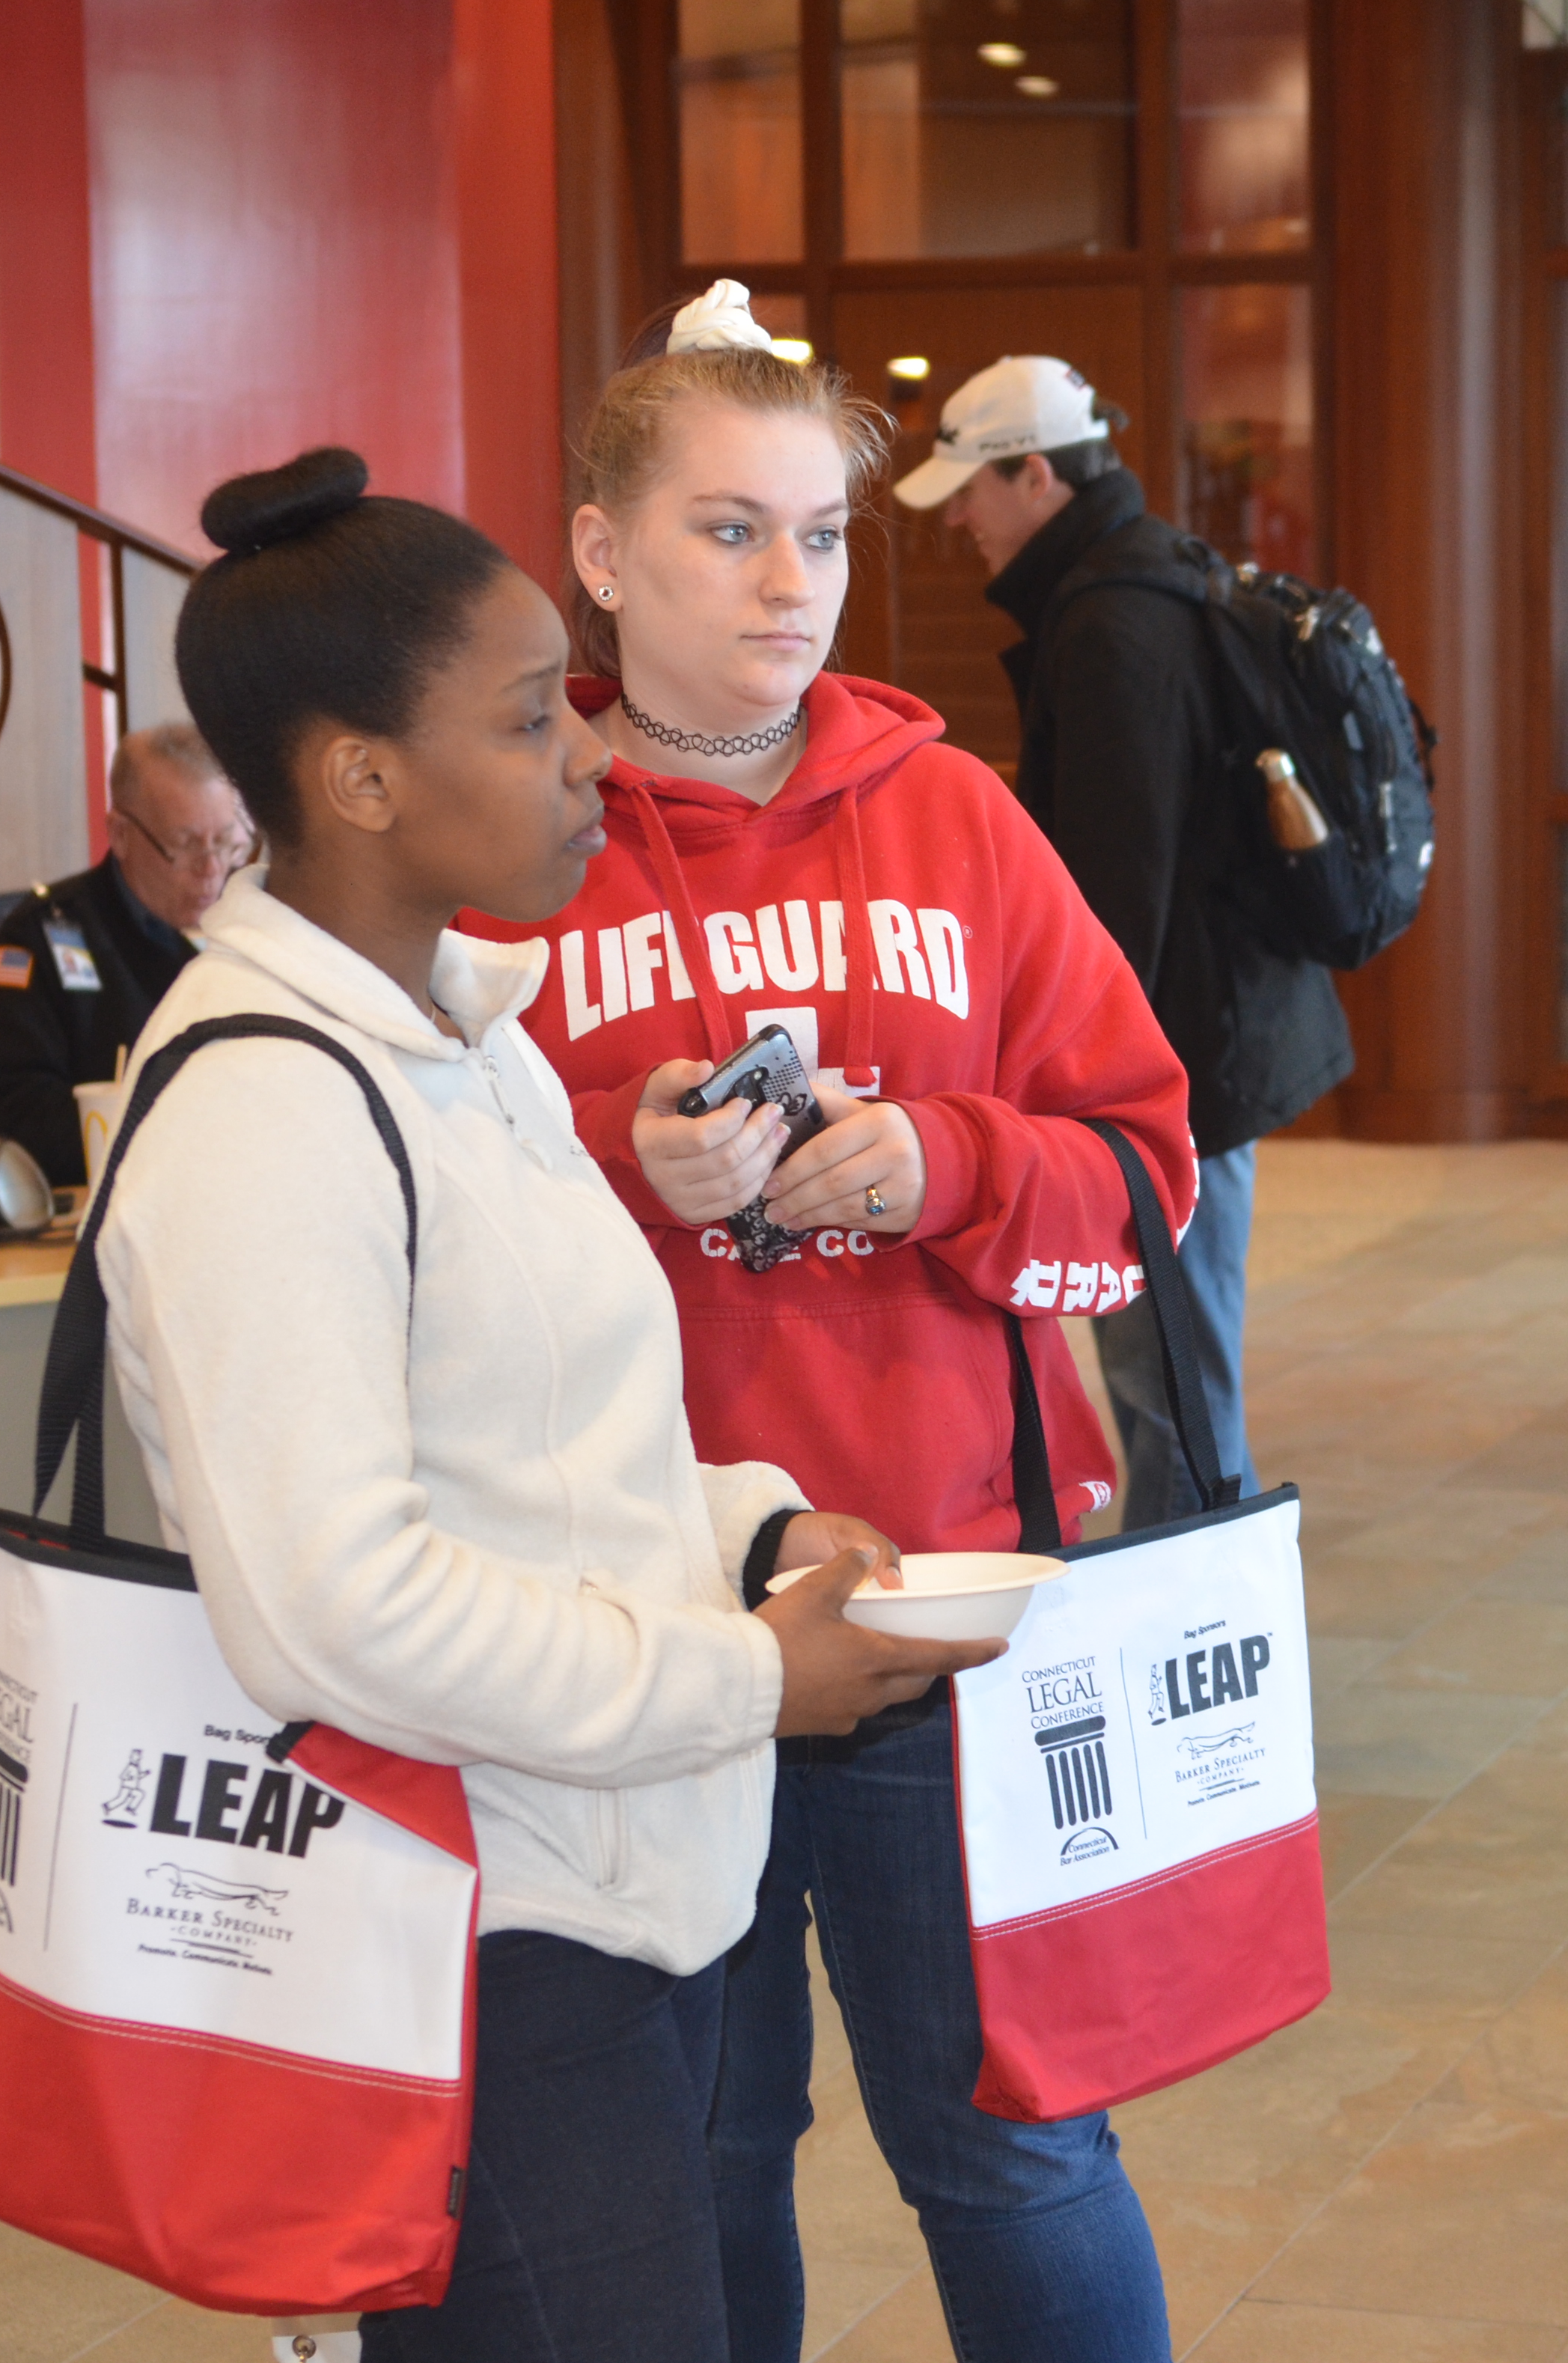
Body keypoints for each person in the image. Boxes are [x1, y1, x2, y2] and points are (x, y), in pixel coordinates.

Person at [94, 447, 996, 2362]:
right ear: (358, 780)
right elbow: (339, 1607)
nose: (593, 757)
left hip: (610, 1885)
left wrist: (754, 1521)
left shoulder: (461, 1041)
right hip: (469, 1939)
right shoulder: (267, 1112)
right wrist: (756, 1676)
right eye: (529, 720)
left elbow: (552, 1434)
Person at [466, 284, 1197, 2363]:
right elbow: (404, 1233)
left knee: (1018, 2144)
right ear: (601, 555)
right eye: (728, 530)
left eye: (824, 534)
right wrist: (623, 1156)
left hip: (938, 1601)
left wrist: (948, 1163)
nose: (790, 583)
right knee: (699, 2155)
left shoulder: (953, 815)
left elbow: (1142, 1184)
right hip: (629, 1634)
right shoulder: (506, 845)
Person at [898, 355, 1349, 1519]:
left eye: (972, 491)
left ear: (1035, 476)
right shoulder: (1145, 582)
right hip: (1211, 1031)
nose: (960, 520)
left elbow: (1114, 892)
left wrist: (1086, 1087)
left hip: (1174, 1064)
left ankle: (1193, 1621)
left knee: (1172, 1379)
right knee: (1175, 1361)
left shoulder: (1111, 623)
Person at [0, 720, 253, 1183]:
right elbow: (14, 1114)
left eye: (226, 843)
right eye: (185, 846)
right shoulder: (44, 938)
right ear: (120, 834)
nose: (212, 870)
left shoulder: (254, 934)